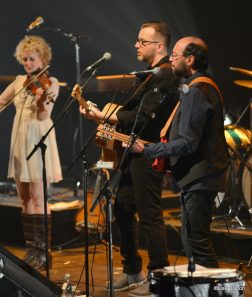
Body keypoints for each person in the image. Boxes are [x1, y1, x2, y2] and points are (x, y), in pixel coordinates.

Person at [77, 21, 179, 295]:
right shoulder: (149, 74)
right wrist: (103, 116)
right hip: (131, 151)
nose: (136, 45)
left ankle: (160, 278)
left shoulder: (166, 75)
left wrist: (102, 116)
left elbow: (142, 117)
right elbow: (129, 114)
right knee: (122, 207)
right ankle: (133, 271)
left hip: (148, 152)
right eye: (137, 40)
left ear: (159, 46)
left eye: (142, 41)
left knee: (149, 215)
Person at [132, 36, 229, 270]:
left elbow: (187, 143)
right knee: (192, 242)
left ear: (190, 59)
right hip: (198, 178)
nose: (171, 59)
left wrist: (148, 149)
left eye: (175, 55)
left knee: (198, 245)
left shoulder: (196, 90)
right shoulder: (201, 85)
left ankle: (219, 293)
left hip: (200, 179)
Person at [0, 35, 62, 271]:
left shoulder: (50, 82)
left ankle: (44, 252)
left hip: (39, 138)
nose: (27, 64)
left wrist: (40, 100)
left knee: (38, 197)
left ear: (42, 58)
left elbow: (44, 116)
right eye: (24, 60)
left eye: (31, 59)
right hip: (20, 140)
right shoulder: (18, 81)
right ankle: (32, 249)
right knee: (24, 198)